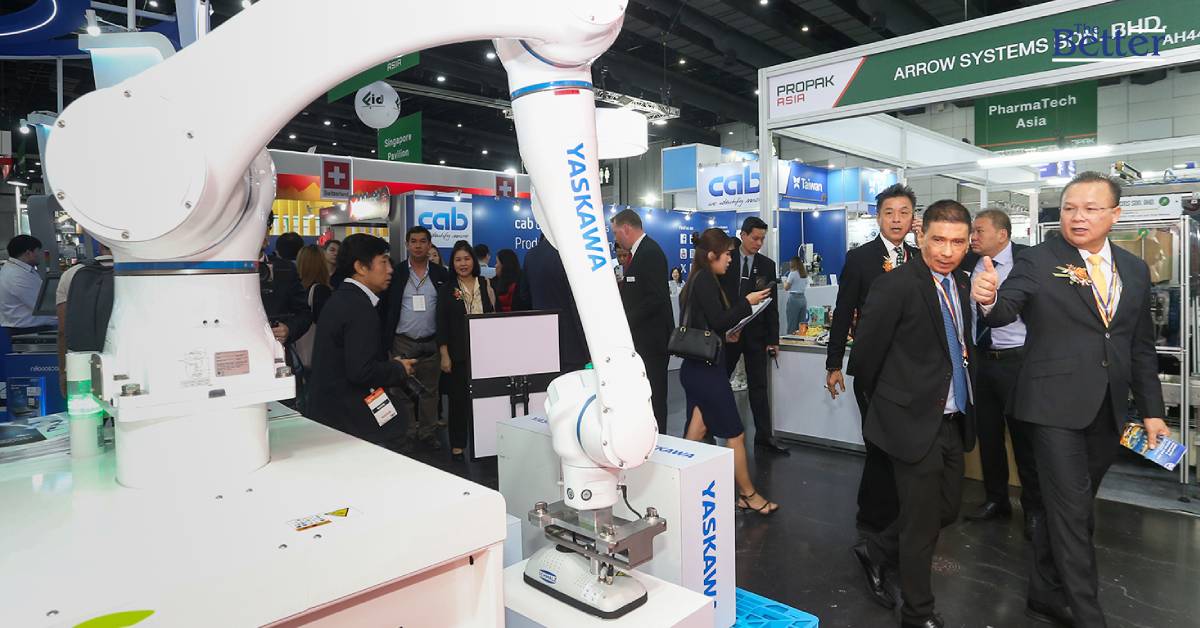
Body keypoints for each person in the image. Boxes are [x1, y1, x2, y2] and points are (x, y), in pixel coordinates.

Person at [973, 172, 1168, 628]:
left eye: (1091, 209)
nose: (1078, 217)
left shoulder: (1134, 269)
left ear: (1114, 214)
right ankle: (1087, 613)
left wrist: (1153, 412)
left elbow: (1139, 346)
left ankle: (1043, 594)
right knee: (1073, 511)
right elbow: (1005, 308)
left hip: (1107, 408)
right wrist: (988, 300)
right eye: (1069, 208)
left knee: (1065, 509)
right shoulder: (1039, 259)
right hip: (1051, 406)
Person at [849, 200, 977, 628]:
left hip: (953, 418)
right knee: (921, 526)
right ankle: (918, 613)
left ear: (968, 243)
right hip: (909, 421)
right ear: (921, 236)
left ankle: (876, 549)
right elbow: (865, 357)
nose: (947, 250)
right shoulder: (896, 285)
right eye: (938, 239)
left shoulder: (962, 284)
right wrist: (893, 405)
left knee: (947, 509)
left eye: (957, 242)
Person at [825, 183, 920, 544]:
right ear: (878, 217)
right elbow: (843, 311)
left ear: (913, 218)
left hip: (911, 369)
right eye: (889, 213)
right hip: (873, 367)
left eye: (904, 213)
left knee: (904, 443)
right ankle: (873, 518)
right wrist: (834, 363)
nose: (896, 220)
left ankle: (895, 512)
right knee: (878, 441)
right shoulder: (860, 258)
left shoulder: (920, 257)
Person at [679, 228, 776, 514]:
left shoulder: (700, 279)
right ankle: (748, 494)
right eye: (727, 255)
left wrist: (727, 333)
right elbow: (719, 320)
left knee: (696, 433)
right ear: (712, 255)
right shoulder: (705, 280)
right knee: (735, 434)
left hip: (698, 368)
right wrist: (747, 303)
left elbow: (711, 323)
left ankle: (676, 487)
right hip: (706, 372)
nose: (731, 260)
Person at [957, 209, 1038, 530]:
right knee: (988, 436)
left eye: (979, 231)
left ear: (1002, 235)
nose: (973, 237)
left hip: (1018, 362)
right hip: (980, 361)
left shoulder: (1027, 261)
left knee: (1024, 438)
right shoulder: (967, 263)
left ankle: (1034, 510)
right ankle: (996, 500)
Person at [307, 234, 416, 445]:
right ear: (361, 267)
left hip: (329, 414)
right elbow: (361, 372)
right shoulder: (359, 308)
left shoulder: (342, 298)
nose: (390, 270)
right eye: (383, 262)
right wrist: (398, 368)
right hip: (346, 420)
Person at [381, 226, 451, 451]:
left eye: (422, 241)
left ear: (430, 245)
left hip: (431, 342)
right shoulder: (397, 272)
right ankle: (407, 431)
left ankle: (428, 432)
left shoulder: (440, 274)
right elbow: (386, 307)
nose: (418, 246)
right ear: (407, 244)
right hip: (403, 341)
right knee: (401, 391)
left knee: (430, 391)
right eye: (413, 241)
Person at [720, 217, 786, 454]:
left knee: (759, 386)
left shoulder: (767, 265)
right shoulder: (727, 259)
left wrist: (773, 339)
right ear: (743, 235)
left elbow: (772, 305)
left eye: (762, 239)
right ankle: (708, 429)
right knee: (718, 382)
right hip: (729, 333)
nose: (759, 243)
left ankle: (764, 437)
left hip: (756, 335)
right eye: (755, 238)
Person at [611, 209, 673, 434]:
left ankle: (660, 439)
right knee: (644, 395)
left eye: (616, 232)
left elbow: (656, 298)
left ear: (627, 228)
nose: (616, 238)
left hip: (652, 342)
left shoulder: (650, 252)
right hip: (643, 341)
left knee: (654, 395)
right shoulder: (640, 253)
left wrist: (625, 321)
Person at [437, 241, 496, 460]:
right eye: (458, 260)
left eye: (467, 258)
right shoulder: (447, 289)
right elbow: (441, 323)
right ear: (452, 263)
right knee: (458, 401)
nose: (463, 264)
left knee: (485, 400)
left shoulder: (485, 283)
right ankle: (458, 444)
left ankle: (486, 442)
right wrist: (444, 354)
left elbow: (493, 316)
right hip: (458, 353)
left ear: (473, 260)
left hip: (484, 351)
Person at [519, 232, 591, 372]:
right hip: (572, 343)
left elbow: (524, 295)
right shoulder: (571, 254)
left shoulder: (531, 255)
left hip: (542, 338)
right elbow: (576, 303)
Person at [56, 243, 114, 395]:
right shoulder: (137, 273)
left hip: (82, 362)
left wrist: (63, 371)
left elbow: (63, 330)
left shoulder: (71, 274)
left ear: (100, 244)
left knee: (84, 406)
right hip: (124, 358)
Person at [259, 218, 312, 383]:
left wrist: (289, 329)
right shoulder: (219, 269)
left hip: (278, 361)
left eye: (264, 227)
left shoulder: (284, 269)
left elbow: (304, 314)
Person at [0, 235, 57, 334]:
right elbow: (44, 306)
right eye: (38, 251)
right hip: (28, 331)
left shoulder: (20, 270)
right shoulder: (17, 276)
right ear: (28, 253)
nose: (40, 255)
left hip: (34, 328)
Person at [783, 256, 809, 334]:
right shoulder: (804, 274)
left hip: (794, 299)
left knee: (792, 323)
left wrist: (784, 281)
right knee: (801, 324)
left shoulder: (792, 274)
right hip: (803, 299)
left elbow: (786, 287)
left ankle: (790, 340)